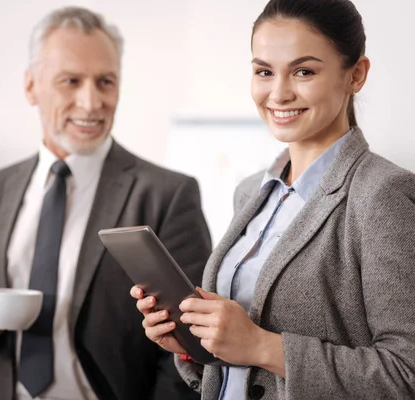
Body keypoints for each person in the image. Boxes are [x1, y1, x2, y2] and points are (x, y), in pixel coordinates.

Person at [132, 0, 415, 398]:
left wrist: (263, 346)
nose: (279, 94)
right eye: (264, 71)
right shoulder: (251, 192)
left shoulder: (382, 195)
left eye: (303, 71)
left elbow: (406, 374)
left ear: (356, 75)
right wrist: (193, 345)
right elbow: (239, 361)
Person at [0, 6, 211, 400]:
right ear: (31, 86)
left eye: (105, 82)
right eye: (71, 81)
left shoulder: (166, 195)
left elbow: (194, 342)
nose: (91, 103)